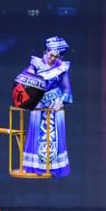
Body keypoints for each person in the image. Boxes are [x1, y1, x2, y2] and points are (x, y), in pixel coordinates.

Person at [22, 36, 73, 178]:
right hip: (39, 104)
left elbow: (67, 90)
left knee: (55, 137)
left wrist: (60, 102)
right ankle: (35, 166)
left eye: (56, 56)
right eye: (51, 55)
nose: (53, 58)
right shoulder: (35, 64)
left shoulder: (61, 67)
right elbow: (25, 80)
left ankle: (54, 167)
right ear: (46, 51)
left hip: (55, 105)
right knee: (37, 135)